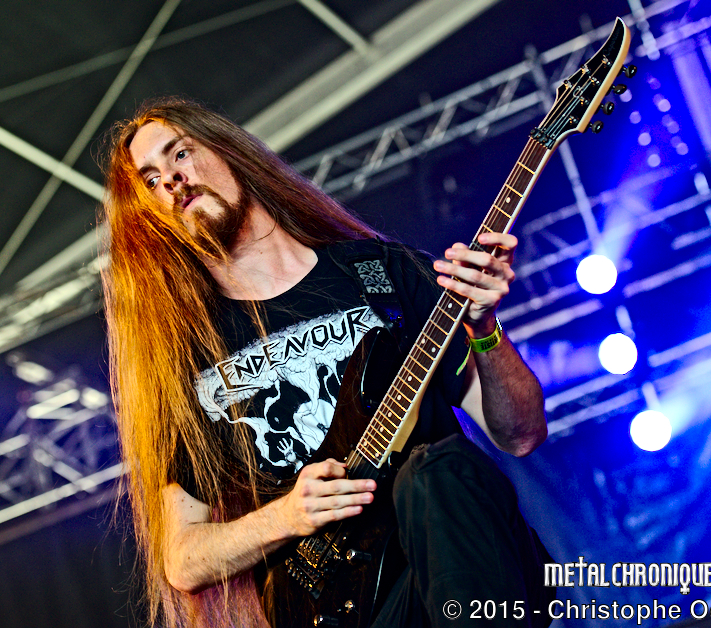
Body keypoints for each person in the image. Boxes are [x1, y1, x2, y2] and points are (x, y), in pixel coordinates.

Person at [100, 97, 550, 628]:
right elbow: (183, 559)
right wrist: (288, 516)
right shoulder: (194, 360)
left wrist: (483, 329)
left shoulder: (381, 273)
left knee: (440, 470)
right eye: (151, 180)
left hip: (464, 567)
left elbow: (520, 434)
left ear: (229, 151)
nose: (171, 180)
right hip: (345, 608)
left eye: (180, 153)